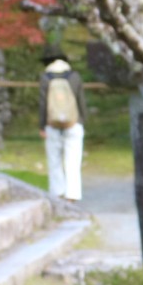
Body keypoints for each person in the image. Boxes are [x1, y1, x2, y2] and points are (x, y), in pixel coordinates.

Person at [40, 49, 86, 202]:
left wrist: (42, 126)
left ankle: (57, 193)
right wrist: (82, 121)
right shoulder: (74, 76)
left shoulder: (45, 77)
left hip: (52, 125)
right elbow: (81, 102)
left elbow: (43, 104)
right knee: (73, 161)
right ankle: (72, 194)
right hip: (73, 123)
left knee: (54, 161)